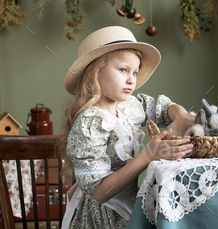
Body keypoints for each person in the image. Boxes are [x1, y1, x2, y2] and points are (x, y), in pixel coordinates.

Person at [60, 26, 195, 228]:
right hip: (104, 214)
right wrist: (148, 155)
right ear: (95, 73)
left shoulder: (127, 107)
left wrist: (182, 116)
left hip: (131, 203)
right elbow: (100, 192)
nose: (132, 79)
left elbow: (162, 108)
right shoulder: (90, 123)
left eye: (135, 72)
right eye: (123, 70)